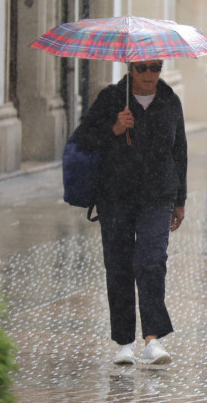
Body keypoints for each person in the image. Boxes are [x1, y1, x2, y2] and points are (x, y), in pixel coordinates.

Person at [74, 59, 187, 366]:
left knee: (152, 261)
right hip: (116, 197)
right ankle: (124, 341)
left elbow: (180, 152)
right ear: (129, 68)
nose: (150, 74)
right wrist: (114, 127)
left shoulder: (169, 100)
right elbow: (83, 139)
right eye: (143, 68)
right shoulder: (111, 98)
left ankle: (153, 339)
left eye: (156, 67)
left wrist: (180, 200)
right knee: (119, 266)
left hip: (158, 196)